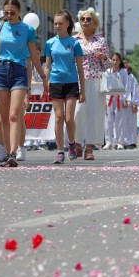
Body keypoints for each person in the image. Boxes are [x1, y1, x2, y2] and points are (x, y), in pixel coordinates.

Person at [0, 0, 48, 167]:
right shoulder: (0, 28)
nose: (9, 15)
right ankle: (8, 152)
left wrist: (44, 77)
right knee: (4, 117)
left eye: (12, 13)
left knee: (14, 114)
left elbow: (33, 55)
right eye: (6, 12)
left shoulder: (27, 30)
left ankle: (13, 153)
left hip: (19, 71)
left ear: (19, 12)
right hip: (1, 70)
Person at [43, 9, 85, 164]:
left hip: (71, 83)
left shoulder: (75, 43)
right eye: (55, 24)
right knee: (59, 117)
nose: (57, 26)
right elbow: (47, 66)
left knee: (68, 118)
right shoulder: (49, 43)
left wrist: (83, 90)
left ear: (68, 24)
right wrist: (45, 83)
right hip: (55, 82)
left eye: (60, 23)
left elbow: (80, 68)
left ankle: (72, 143)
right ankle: (60, 150)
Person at [73, 7, 110, 160]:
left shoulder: (100, 41)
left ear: (94, 23)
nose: (85, 22)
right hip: (77, 79)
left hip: (95, 80)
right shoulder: (74, 40)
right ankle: (76, 144)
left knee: (93, 114)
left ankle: (89, 147)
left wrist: (103, 58)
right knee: (77, 113)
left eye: (89, 19)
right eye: (83, 19)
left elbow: (109, 65)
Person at [104, 52, 129, 150]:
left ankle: (120, 142)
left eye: (117, 60)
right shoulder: (107, 71)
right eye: (113, 60)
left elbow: (127, 85)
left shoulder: (123, 72)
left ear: (120, 61)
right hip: (109, 98)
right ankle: (108, 142)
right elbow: (104, 86)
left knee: (119, 121)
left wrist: (126, 99)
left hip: (120, 98)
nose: (115, 62)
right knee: (108, 121)